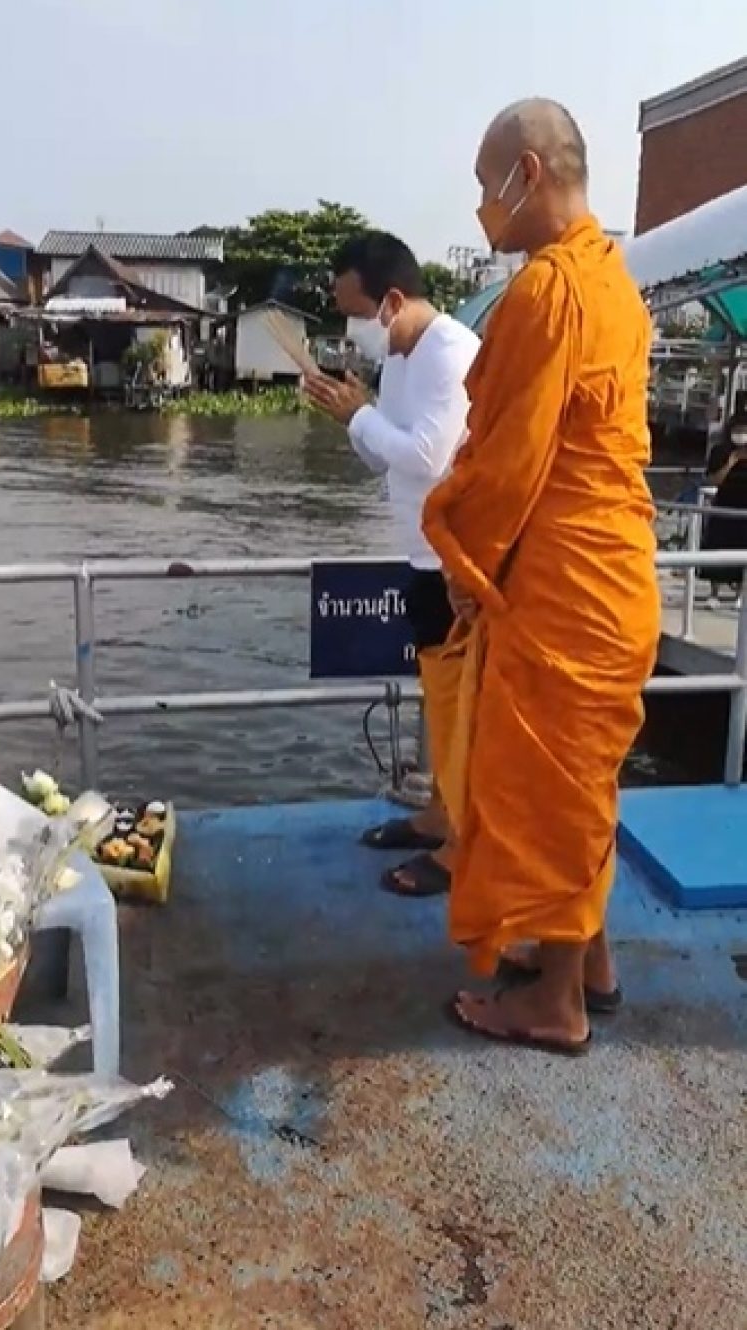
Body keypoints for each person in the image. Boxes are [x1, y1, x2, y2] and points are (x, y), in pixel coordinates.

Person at [422, 99, 660, 1054]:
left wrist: (463, 556)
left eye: (488, 188)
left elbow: (507, 463)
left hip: (562, 587)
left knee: (544, 789)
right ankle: (586, 960)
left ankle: (552, 1005)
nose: (485, 207)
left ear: (528, 171)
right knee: (578, 786)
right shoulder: (618, 286)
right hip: (613, 579)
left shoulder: (549, 292)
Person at [304, 231, 479, 895]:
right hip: (423, 557)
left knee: (462, 708)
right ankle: (439, 813)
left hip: (459, 564)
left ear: (393, 300)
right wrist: (350, 418)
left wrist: (362, 416)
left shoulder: (449, 352)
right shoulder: (401, 359)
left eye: (356, 313)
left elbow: (428, 457)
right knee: (439, 695)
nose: (353, 330)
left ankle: (463, 843)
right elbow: (385, 455)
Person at [700, 415, 747, 604]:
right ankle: (714, 591)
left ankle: (740, 594)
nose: (742, 435)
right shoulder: (720, 452)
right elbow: (713, 480)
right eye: (739, 430)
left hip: (744, 509)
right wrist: (731, 462)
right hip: (724, 505)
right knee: (718, 546)